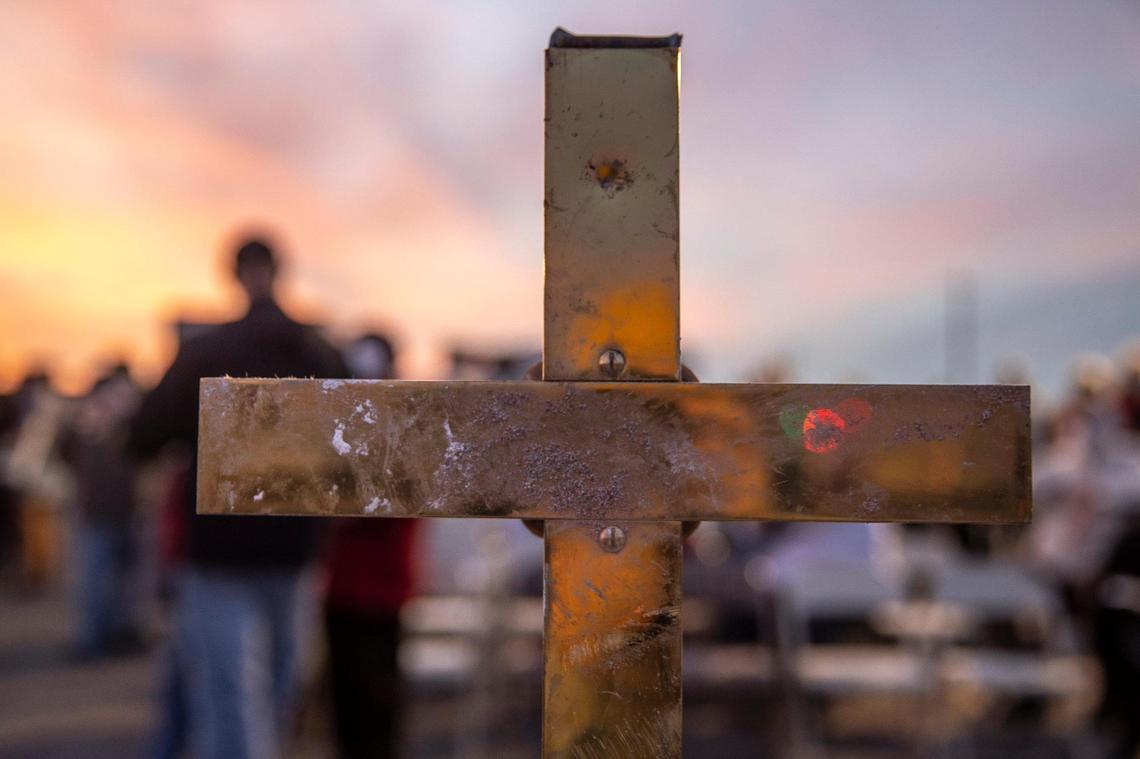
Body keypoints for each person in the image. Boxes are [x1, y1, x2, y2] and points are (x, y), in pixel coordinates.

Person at [131, 234, 345, 759]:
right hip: (295, 553)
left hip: (218, 554)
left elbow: (142, 437)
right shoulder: (319, 352)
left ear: (234, 274)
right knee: (274, 696)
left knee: (230, 705)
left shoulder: (205, 352)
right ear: (279, 271)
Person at [322, 333, 417, 759]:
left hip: (380, 587)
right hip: (345, 585)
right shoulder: (343, 421)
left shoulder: (404, 424)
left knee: (376, 696)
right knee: (347, 697)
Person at [59, 362, 145, 659]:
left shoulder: (83, 417)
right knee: (114, 576)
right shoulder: (127, 412)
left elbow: (64, 455)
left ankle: (99, 634)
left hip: (100, 506)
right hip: (116, 506)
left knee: (101, 575)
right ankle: (106, 634)